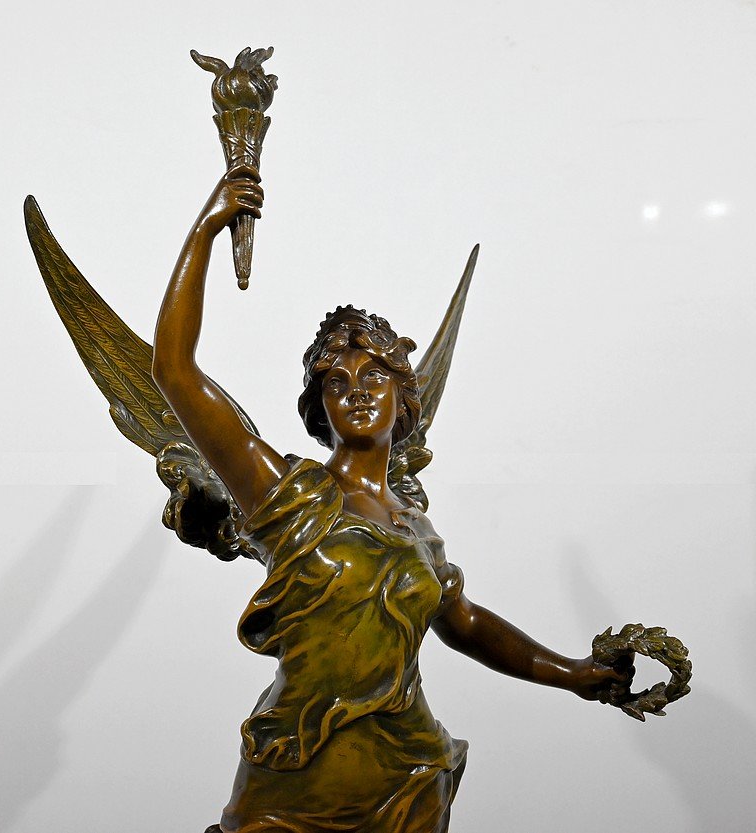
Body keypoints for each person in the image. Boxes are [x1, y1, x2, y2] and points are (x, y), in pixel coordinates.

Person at [151, 167, 630, 833]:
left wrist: (574, 673)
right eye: (336, 380)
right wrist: (207, 228)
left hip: (407, 769)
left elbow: (464, 623)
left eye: (375, 374)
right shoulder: (285, 495)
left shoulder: (415, 528)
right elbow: (173, 370)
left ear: (404, 397)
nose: (356, 390)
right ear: (318, 406)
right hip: (299, 771)